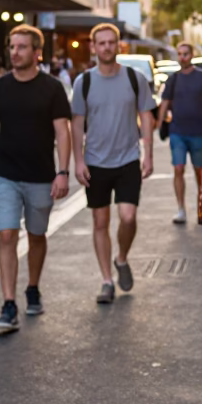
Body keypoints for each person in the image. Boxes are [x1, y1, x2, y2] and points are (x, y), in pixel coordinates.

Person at [0, 25, 71, 330]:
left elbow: (62, 131)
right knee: (7, 235)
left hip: (41, 175)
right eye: (12, 47)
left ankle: (33, 287)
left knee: (37, 235)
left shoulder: (52, 88)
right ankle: (9, 304)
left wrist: (62, 172)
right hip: (5, 174)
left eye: (22, 47)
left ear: (37, 52)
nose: (15, 52)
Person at [71, 23, 155, 304]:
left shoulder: (135, 78)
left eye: (111, 42)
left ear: (119, 45)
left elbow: (146, 116)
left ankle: (121, 258)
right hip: (95, 161)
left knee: (128, 217)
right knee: (100, 221)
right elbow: (77, 124)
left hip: (128, 159)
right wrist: (78, 160)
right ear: (94, 47)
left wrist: (149, 153)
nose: (106, 47)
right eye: (101, 43)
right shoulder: (84, 81)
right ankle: (107, 280)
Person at [157, 41, 202, 224]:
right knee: (178, 169)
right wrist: (159, 123)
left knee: (199, 171)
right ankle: (181, 209)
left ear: (192, 55)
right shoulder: (173, 78)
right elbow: (165, 101)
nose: (182, 57)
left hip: (196, 131)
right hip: (177, 131)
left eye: (185, 54)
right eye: (179, 54)